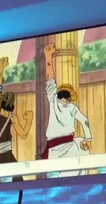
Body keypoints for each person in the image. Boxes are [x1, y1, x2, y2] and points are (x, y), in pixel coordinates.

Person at [41, 43, 93, 176]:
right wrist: (88, 138)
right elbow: (85, 121)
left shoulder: (53, 99)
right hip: (69, 148)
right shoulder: (72, 107)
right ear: (69, 97)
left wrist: (48, 56)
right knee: (83, 153)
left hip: (53, 149)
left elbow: (50, 77)